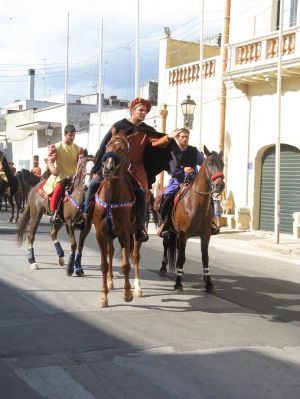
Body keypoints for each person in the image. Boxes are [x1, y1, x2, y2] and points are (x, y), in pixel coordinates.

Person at [82, 96, 179, 242]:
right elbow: (106, 146)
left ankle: (140, 226)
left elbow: (155, 143)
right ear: (132, 110)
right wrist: (100, 166)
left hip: (137, 169)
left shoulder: (146, 130)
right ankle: (85, 214)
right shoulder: (120, 126)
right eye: (141, 110)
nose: (143, 113)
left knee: (142, 193)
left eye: (145, 111)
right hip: (115, 165)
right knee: (94, 183)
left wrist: (168, 137)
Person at [157, 128, 204, 237]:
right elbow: (171, 169)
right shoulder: (172, 151)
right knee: (167, 196)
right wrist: (183, 169)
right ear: (177, 138)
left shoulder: (194, 151)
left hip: (193, 181)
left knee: (207, 196)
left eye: (186, 137)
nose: (184, 139)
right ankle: (164, 222)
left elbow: (203, 163)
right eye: (182, 137)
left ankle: (210, 222)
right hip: (177, 181)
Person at [44, 124, 85, 223]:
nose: (72, 137)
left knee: (84, 190)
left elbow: (82, 161)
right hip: (61, 176)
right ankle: (54, 213)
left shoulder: (78, 148)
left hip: (74, 177)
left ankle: (84, 214)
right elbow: (49, 161)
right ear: (65, 134)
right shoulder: (57, 147)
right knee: (58, 189)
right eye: (70, 135)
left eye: (74, 135)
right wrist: (52, 168)